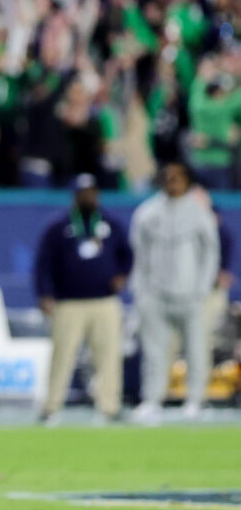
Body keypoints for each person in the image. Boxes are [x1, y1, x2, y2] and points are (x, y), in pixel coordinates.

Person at [34, 174, 133, 425]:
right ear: (75, 195)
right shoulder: (58, 227)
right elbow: (43, 264)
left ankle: (109, 406)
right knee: (63, 355)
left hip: (104, 301)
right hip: (69, 302)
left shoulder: (111, 223)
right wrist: (45, 294)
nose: (88, 196)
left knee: (108, 355)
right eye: (83, 192)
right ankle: (51, 407)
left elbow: (128, 255)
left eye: (92, 192)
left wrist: (122, 276)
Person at [130, 163, 219, 425]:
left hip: (191, 294)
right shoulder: (148, 212)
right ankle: (152, 400)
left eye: (178, 178)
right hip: (156, 294)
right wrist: (141, 290)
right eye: (168, 178)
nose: (173, 183)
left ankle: (195, 401)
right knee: (154, 351)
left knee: (197, 350)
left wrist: (203, 287)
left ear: (187, 181)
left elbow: (211, 251)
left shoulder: (199, 211)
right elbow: (139, 254)